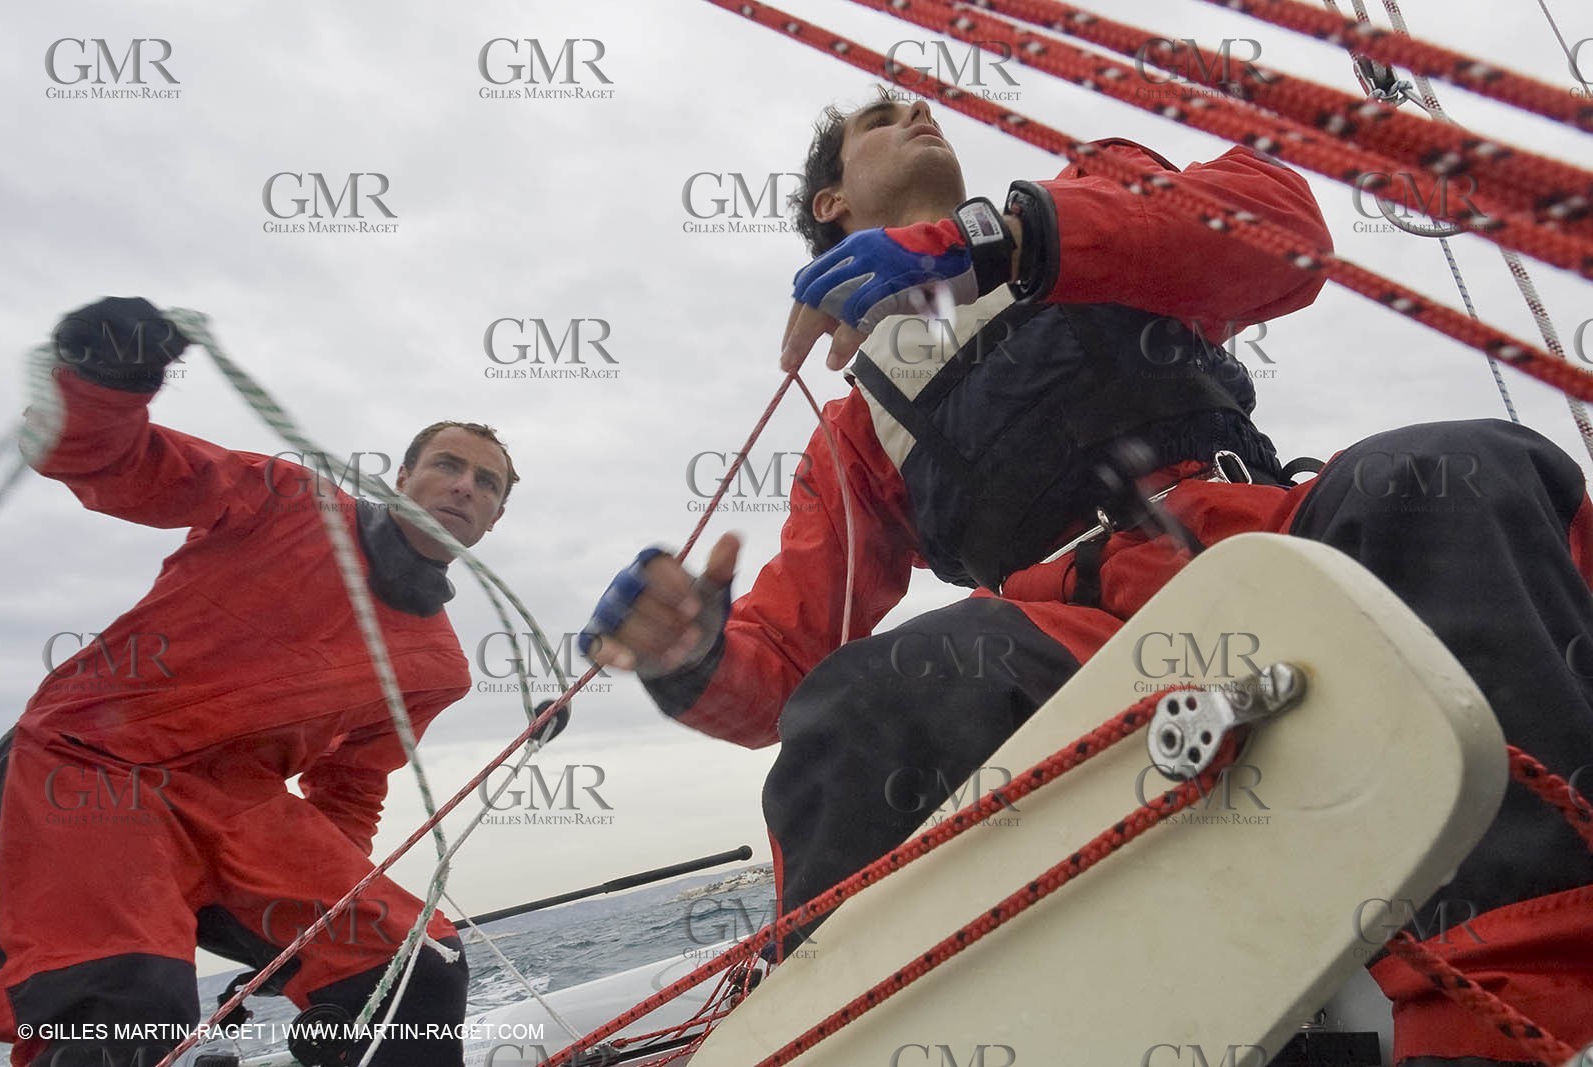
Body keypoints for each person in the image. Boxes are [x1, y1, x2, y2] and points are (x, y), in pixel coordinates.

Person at [581, 92, 1593, 1065]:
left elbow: (1279, 227)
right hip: (1072, 640)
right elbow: (785, 663)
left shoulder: (1079, 198)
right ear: (830, 207)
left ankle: (1507, 1023)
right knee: (865, 702)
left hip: (1274, 537)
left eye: (916, 105)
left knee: (1455, 472)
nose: (915, 113)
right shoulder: (854, 433)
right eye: (878, 121)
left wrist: (1001, 239)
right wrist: (691, 656)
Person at [0, 298, 515, 1067]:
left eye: (487, 483)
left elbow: (350, 788)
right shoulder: (285, 500)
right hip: (93, 764)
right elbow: (121, 466)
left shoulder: (437, 667)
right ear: (403, 476)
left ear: (495, 518)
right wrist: (110, 380)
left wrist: (302, 933)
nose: (465, 486)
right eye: (447, 464)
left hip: (236, 810)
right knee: (124, 1011)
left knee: (419, 966)